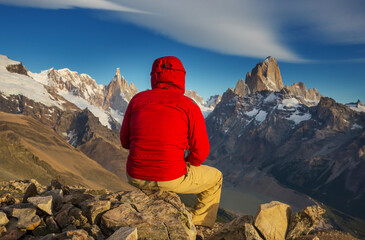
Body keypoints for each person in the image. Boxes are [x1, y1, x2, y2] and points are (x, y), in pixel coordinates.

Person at [120, 56, 223, 229]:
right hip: (170, 176)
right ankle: (199, 227)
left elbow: (124, 142)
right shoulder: (189, 106)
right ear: (181, 77)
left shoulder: (137, 100)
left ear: (154, 76)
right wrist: (186, 164)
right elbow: (201, 152)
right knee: (216, 178)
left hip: (135, 175)